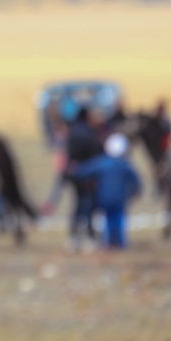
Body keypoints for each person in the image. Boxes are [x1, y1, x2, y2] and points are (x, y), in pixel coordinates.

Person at [72, 133, 141, 249]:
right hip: (120, 199)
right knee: (119, 219)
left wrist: (74, 169)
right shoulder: (125, 164)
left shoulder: (103, 162)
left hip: (104, 198)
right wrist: (135, 191)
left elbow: (85, 170)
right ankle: (120, 242)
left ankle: (107, 242)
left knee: (108, 219)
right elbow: (135, 180)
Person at [64, 107, 104, 250]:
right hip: (88, 174)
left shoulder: (72, 131)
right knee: (88, 205)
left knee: (77, 204)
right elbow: (97, 153)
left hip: (74, 174)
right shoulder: (89, 133)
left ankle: (73, 237)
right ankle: (89, 237)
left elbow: (68, 154)